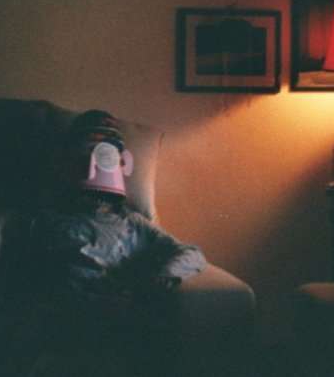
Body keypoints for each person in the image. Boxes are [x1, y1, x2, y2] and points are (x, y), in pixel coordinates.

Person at [26, 109, 207, 375]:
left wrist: (152, 282)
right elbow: (24, 270)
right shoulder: (46, 218)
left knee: (167, 344)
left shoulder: (133, 223)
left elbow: (191, 253)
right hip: (58, 313)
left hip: (113, 312)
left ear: (123, 163)